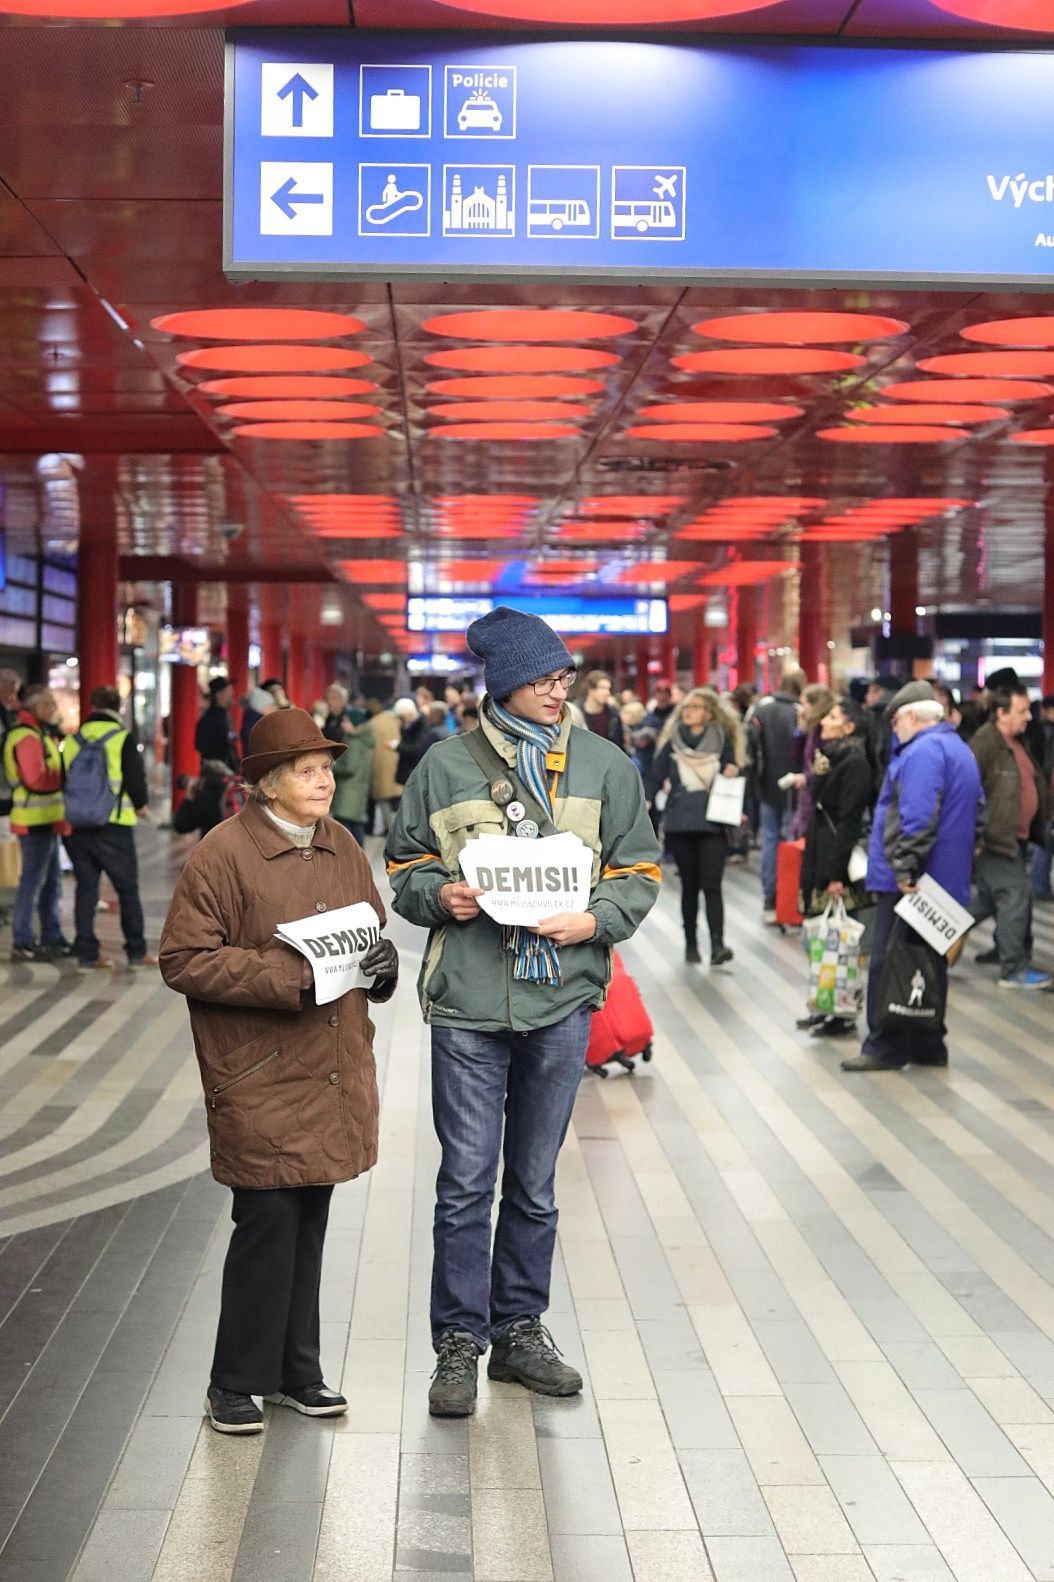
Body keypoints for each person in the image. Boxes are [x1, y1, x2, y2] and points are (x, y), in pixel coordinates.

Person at [384, 606, 660, 1419]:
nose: (558, 688)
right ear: (503, 685)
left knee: (535, 1184)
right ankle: (458, 1344)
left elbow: (639, 867)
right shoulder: (444, 766)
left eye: (564, 675)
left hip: (562, 998)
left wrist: (595, 920)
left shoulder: (607, 767)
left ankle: (520, 1330)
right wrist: (444, 895)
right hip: (469, 1002)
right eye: (544, 677)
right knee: (466, 1183)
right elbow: (402, 867)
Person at [159, 708, 399, 1435]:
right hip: (259, 1069)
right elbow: (182, 959)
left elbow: (371, 931)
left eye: (327, 766)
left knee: (309, 1221)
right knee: (266, 1221)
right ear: (266, 783)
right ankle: (233, 1380)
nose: (325, 777)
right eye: (307, 768)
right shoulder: (223, 854)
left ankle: (299, 1371)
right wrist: (283, 974)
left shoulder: (342, 844)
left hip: (329, 1066)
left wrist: (382, 966)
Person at [841, 682, 984, 1074]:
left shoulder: (922, 752)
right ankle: (928, 1042)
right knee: (927, 961)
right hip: (944, 879)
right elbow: (980, 812)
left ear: (912, 717)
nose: (894, 730)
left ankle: (884, 1046)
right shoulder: (959, 748)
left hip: (911, 880)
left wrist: (905, 867)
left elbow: (918, 816)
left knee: (890, 960)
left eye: (895, 722)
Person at [644, 687, 741, 967]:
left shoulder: (721, 740)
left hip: (713, 822)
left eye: (695, 707)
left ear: (709, 712)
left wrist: (733, 770)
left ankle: (718, 945)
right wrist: (646, 800)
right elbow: (655, 775)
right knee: (689, 886)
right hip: (680, 823)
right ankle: (690, 944)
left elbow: (734, 772)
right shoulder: (672, 742)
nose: (688, 712)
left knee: (712, 885)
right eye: (686, 707)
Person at [61, 684, 156, 971]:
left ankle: (88, 955)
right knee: (127, 889)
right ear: (119, 708)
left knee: (86, 889)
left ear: (92, 706)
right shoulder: (121, 737)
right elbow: (135, 779)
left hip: (79, 825)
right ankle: (137, 953)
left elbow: (64, 777)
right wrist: (141, 805)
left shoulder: (74, 739)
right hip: (113, 826)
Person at [797, 697, 874, 1038]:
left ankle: (842, 1013)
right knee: (820, 939)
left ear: (849, 727)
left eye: (832, 716)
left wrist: (835, 875)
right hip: (819, 853)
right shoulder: (829, 759)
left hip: (834, 861)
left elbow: (848, 822)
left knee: (841, 944)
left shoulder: (855, 764)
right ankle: (824, 1004)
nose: (823, 721)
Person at [969, 684, 1051, 989]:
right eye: (1022, 711)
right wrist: (976, 837)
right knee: (1016, 896)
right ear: (1001, 713)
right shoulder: (985, 743)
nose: (1029, 716)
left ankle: (928, 943)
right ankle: (1013, 968)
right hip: (995, 840)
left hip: (1014, 839)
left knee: (987, 902)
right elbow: (967, 791)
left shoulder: (1017, 742)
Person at [3, 684, 72, 962]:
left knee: (51, 883)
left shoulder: (39, 733)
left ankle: (51, 937)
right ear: (35, 706)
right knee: (33, 882)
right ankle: (22, 940)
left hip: (48, 821)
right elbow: (35, 779)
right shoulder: (26, 736)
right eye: (50, 702)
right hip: (34, 821)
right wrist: (66, 779)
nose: (55, 707)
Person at [750, 667, 806, 922]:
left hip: (767, 783)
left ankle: (769, 897)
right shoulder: (800, 712)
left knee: (770, 840)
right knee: (792, 839)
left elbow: (752, 744)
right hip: (795, 786)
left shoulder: (762, 708)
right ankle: (791, 898)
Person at [788, 683, 834, 841]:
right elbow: (797, 758)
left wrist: (807, 778)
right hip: (807, 795)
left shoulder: (824, 732)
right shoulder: (811, 729)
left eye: (804, 703)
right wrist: (800, 730)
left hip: (818, 796)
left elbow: (826, 766)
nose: (800, 709)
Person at [329, 703, 374, 847]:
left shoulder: (354, 743)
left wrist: (333, 766)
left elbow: (350, 767)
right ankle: (359, 855)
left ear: (355, 723)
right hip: (357, 787)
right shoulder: (362, 740)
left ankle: (354, 857)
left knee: (347, 826)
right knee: (355, 823)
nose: (343, 724)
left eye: (346, 721)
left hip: (349, 789)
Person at [366, 696, 402, 831]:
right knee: (395, 799)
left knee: (383, 798)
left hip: (379, 764)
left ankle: (389, 828)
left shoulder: (372, 724)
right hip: (396, 762)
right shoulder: (394, 719)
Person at [393, 697, 443, 790]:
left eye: (402, 717)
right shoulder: (409, 726)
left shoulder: (423, 727)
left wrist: (398, 746)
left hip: (414, 771)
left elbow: (417, 749)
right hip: (409, 773)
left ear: (408, 714)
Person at [195, 676, 238, 771]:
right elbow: (200, 744)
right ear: (218, 694)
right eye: (228, 691)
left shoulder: (226, 715)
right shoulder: (209, 719)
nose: (232, 693)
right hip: (217, 773)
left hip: (228, 769)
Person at [577, 670, 626, 749]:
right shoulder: (577, 713)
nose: (607, 692)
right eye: (602, 688)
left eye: (608, 689)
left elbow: (620, 746)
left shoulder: (614, 715)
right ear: (590, 689)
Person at [239, 685, 276, 759]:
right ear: (261, 707)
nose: (274, 708)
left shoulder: (252, 723)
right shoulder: (259, 727)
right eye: (271, 705)